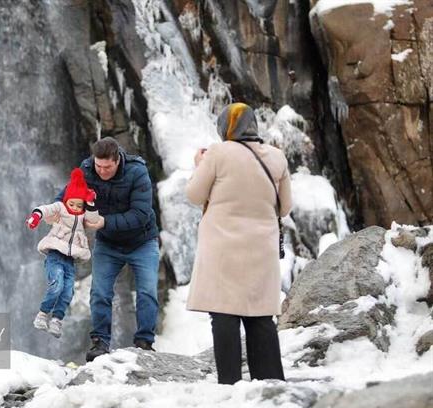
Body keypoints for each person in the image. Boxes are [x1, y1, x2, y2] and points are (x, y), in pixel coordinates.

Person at [185, 102, 292, 384]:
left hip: (222, 245)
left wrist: (199, 166)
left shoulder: (218, 153)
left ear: (226, 127)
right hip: (261, 247)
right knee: (260, 316)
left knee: (223, 315)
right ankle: (270, 382)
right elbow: (285, 208)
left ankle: (230, 383)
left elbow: (195, 195)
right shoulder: (277, 157)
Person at [58, 137, 160, 362]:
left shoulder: (137, 172)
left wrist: (104, 222)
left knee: (147, 292)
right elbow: (66, 197)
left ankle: (144, 342)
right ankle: (100, 343)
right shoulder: (87, 170)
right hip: (108, 243)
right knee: (100, 293)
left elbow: (141, 215)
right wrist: (53, 213)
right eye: (98, 166)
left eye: (107, 167)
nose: (102, 171)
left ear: (118, 160)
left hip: (142, 242)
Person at [26, 168, 98, 338]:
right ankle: (42, 315)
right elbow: (46, 209)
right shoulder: (60, 208)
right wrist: (36, 216)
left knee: (67, 292)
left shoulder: (83, 217)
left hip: (70, 260)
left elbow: (94, 220)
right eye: (71, 204)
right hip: (55, 256)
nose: (74, 208)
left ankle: (57, 320)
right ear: (66, 201)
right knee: (56, 284)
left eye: (79, 205)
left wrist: (91, 203)